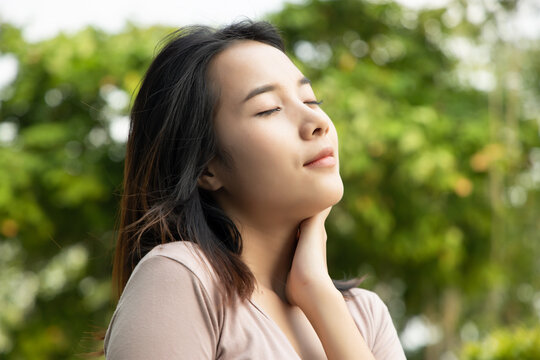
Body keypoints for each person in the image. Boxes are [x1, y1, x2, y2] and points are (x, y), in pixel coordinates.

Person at [104, 20, 406, 359]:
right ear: (206, 166)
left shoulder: (365, 315)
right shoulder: (182, 277)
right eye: (269, 109)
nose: (318, 123)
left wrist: (319, 295)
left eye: (311, 99)